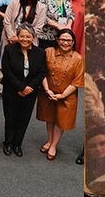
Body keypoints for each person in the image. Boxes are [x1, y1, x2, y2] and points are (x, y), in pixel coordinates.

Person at [0, 21, 46, 159]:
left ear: (33, 37)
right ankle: (8, 143)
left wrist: (29, 88)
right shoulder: (9, 49)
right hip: (11, 90)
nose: (25, 39)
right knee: (10, 117)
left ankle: (17, 144)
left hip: (30, 92)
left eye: (28, 36)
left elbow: (42, 72)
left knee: (23, 118)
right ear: (17, 36)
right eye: (22, 36)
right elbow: (7, 71)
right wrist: (20, 87)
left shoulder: (40, 53)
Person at [38, 26, 83, 162]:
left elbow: (77, 81)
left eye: (69, 40)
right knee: (49, 117)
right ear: (57, 40)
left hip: (66, 96)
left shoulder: (78, 58)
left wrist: (62, 95)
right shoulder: (48, 52)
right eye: (62, 39)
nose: (65, 43)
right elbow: (42, 72)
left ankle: (54, 145)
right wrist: (47, 90)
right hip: (48, 92)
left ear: (73, 42)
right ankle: (49, 140)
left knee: (60, 121)